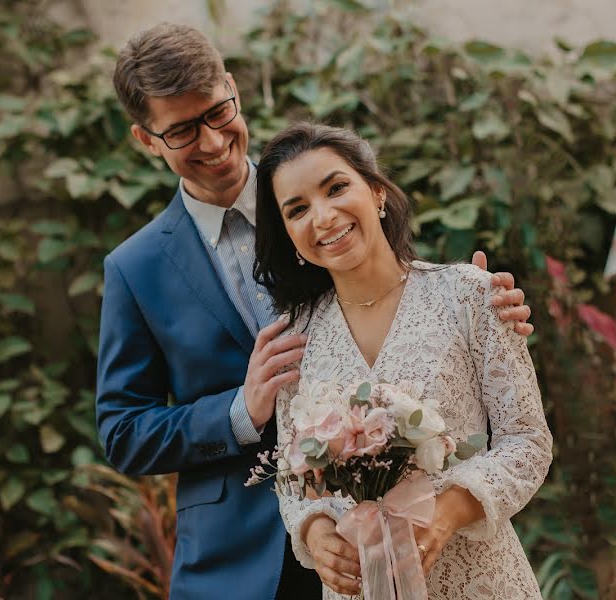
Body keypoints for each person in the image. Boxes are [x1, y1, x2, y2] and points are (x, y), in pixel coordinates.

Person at [96, 23, 535, 599]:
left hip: (402, 544)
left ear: (232, 88)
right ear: (145, 138)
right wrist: (239, 412)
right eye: (180, 131)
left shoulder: (320, 193)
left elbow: (399, 292)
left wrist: (485, 299)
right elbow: (123, 431)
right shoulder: (136, 268)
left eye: (216, 113)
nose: (210, 142)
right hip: (237, 564)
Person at [254, 122, 553, 599]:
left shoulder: (470, 295)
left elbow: (528, 442)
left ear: (376, 193)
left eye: (336, 188)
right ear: (289, 235)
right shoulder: (296, 337)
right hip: (360, 587)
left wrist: (450, 511)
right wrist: (313, 531)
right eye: (298, 209)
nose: (324, 216)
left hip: (480, 579)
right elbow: (293, 476)